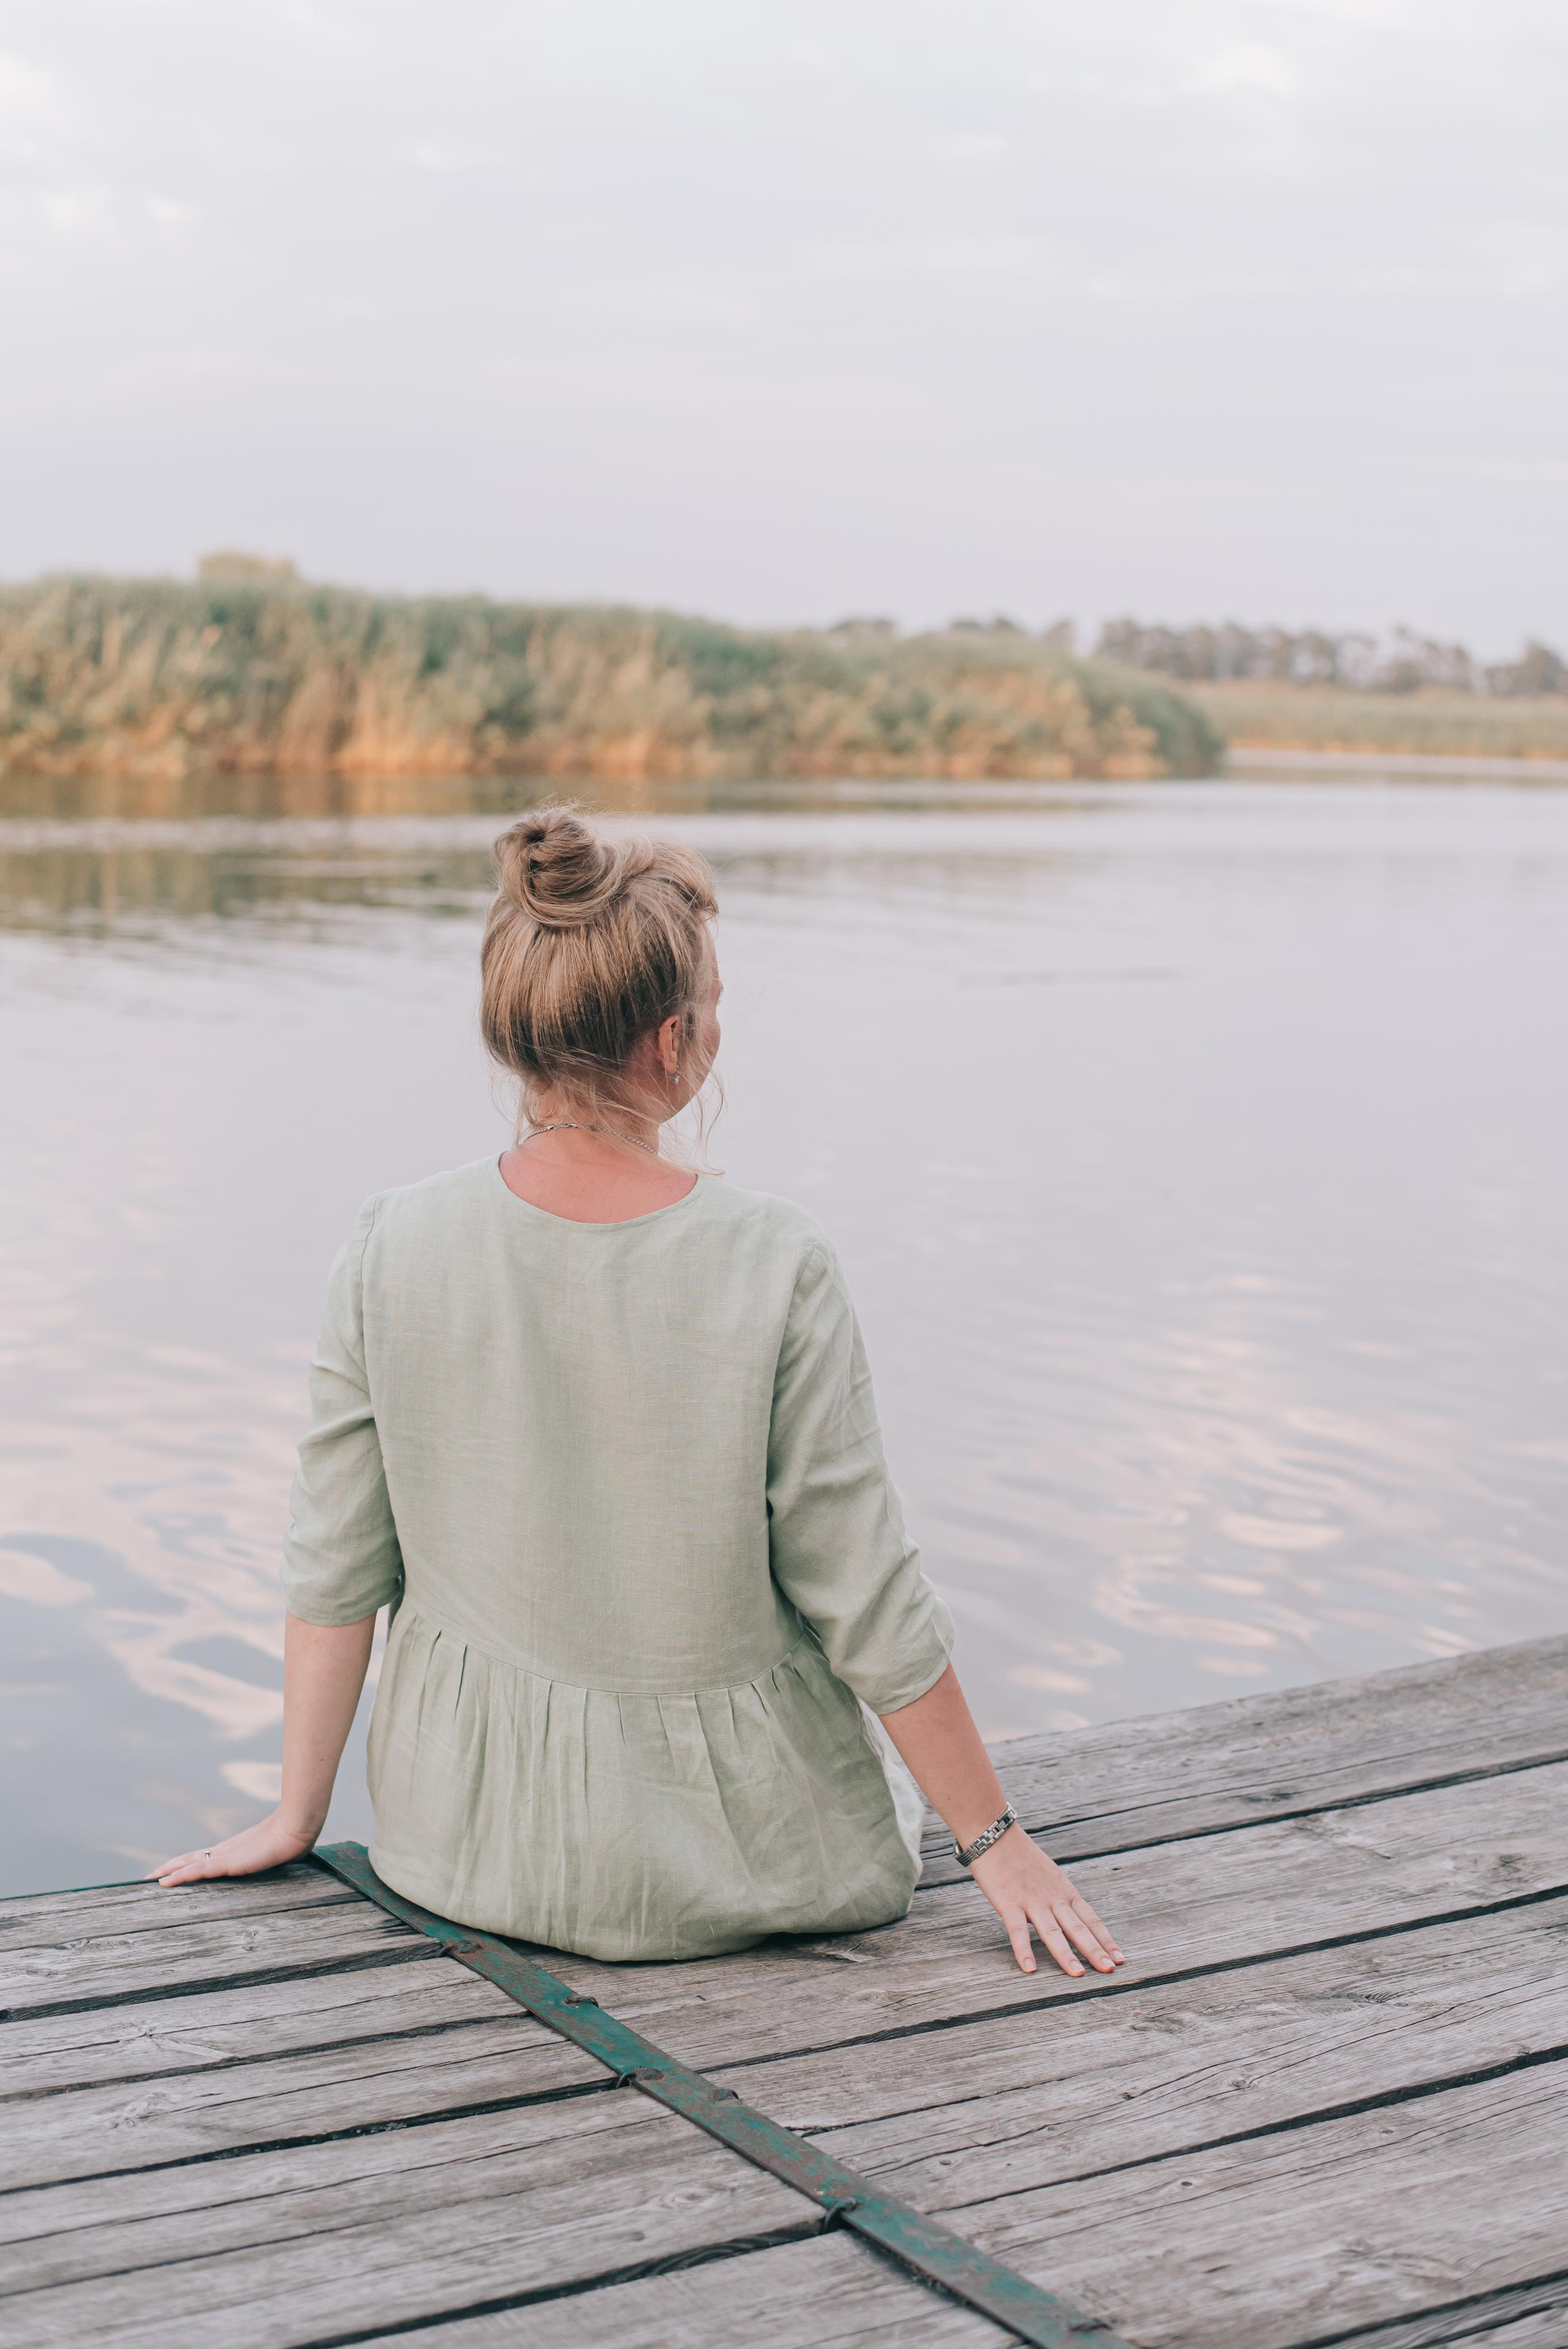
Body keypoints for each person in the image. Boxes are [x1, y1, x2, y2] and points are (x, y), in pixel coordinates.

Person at [153, 808, 1123, 1980]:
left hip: (465, 1849)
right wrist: (997, 1841)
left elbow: (335, 1565)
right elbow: (863, 1587)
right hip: (745, 1861)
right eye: (714, 1001)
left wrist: (295, 1813)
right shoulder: (775, 1258)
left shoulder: (387, 1242)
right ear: (673, 1041)